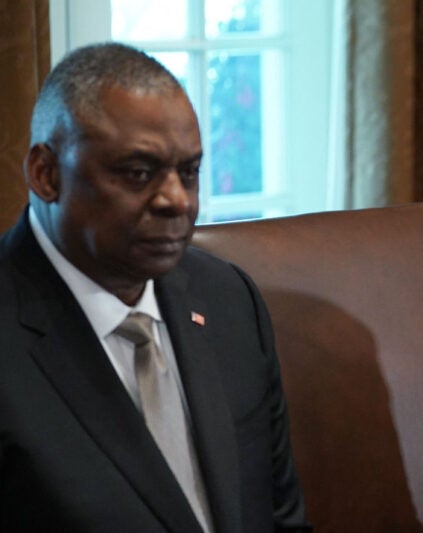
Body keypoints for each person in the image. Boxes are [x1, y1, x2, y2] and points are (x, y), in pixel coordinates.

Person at [0, 43, 310, 532]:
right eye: (139, 173)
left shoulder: (228, 301)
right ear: (46, 173)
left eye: (188, 173)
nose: (176, 201)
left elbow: (282, 519)